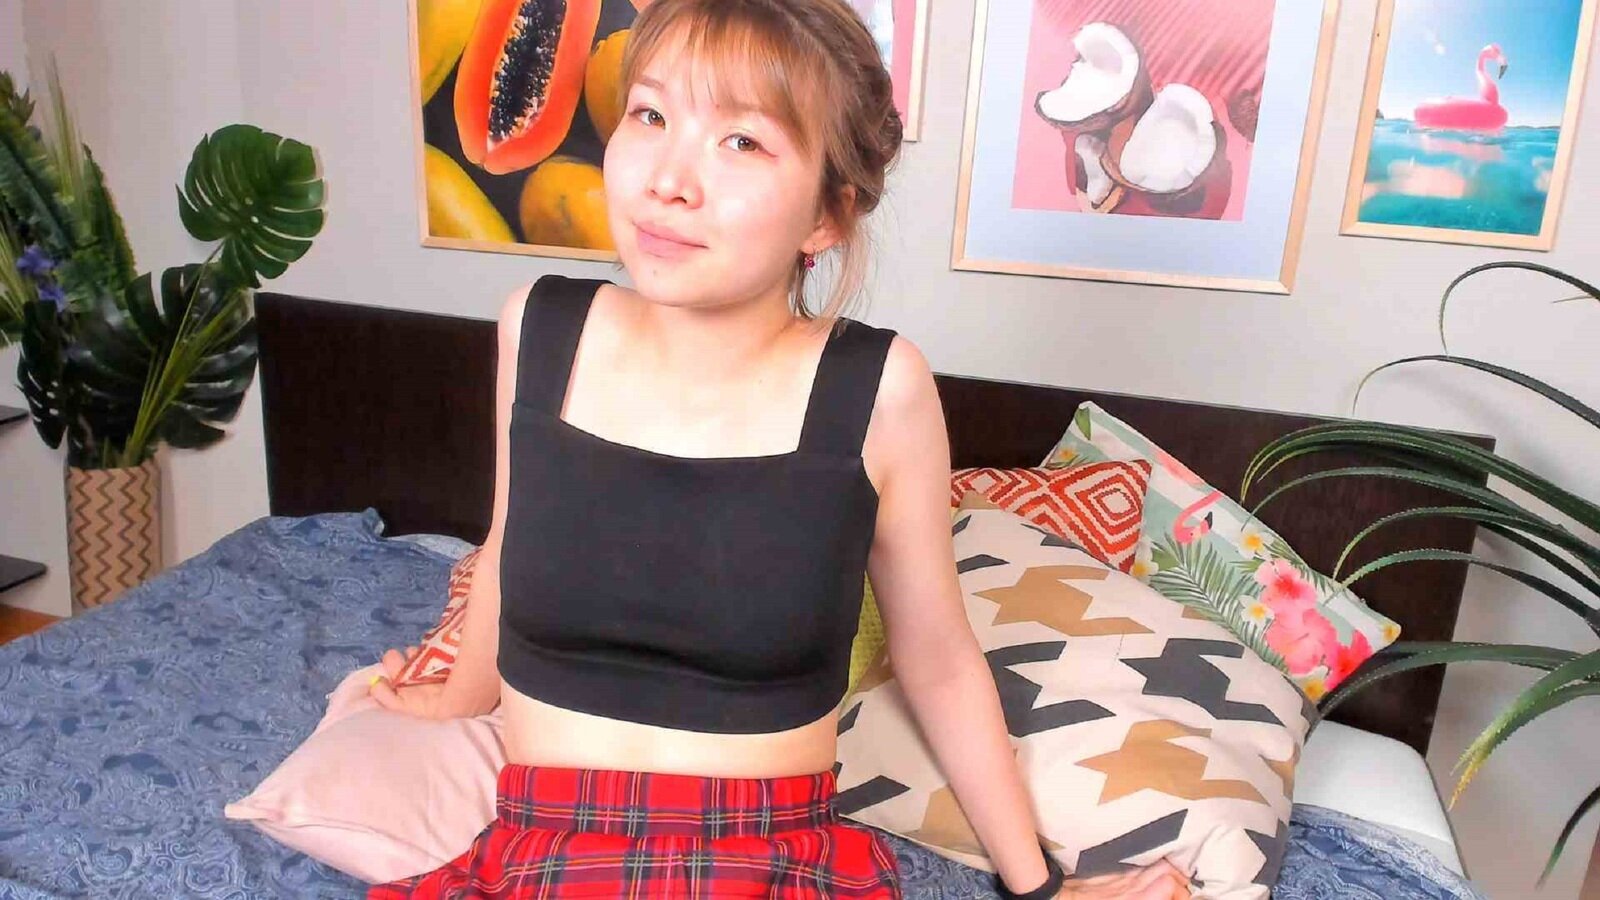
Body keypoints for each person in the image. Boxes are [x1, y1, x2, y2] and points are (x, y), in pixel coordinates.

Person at [368, 1, 1193, 898]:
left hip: (766, 859)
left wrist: (1039, 886)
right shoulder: (538, 328)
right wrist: (457, 695)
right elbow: (508, 545)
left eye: (742, 142)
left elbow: (937, 657)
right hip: (546, 850)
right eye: (651, 114)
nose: (669, 180)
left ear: (827, 216)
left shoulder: (878, 388)